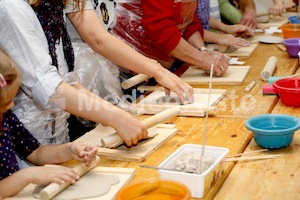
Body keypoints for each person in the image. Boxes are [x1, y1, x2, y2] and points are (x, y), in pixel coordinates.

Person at [0, 0, 148, 149]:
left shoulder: (52, 5)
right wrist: (116, 117)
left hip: (59, 139)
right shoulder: (12, 7)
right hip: (30, 144)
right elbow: (49, 91)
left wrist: (117, 112)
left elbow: (68, 81)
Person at [0, 48, 98, 198]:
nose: (11, 106)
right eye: (5, 102)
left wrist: (69, 150)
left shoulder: (5, 117)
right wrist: (27, 175)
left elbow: (36, 153)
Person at [65, 0, 194, 105]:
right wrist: (157, 70)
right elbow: (96, 38)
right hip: (73, 76)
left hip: (102, 72)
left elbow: (105, 31)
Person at [112, 0, 235, 77]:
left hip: (162, 68)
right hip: (130, 69)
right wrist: (202, 59)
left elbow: (188, 22)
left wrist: (202, 51)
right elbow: (160, 30)